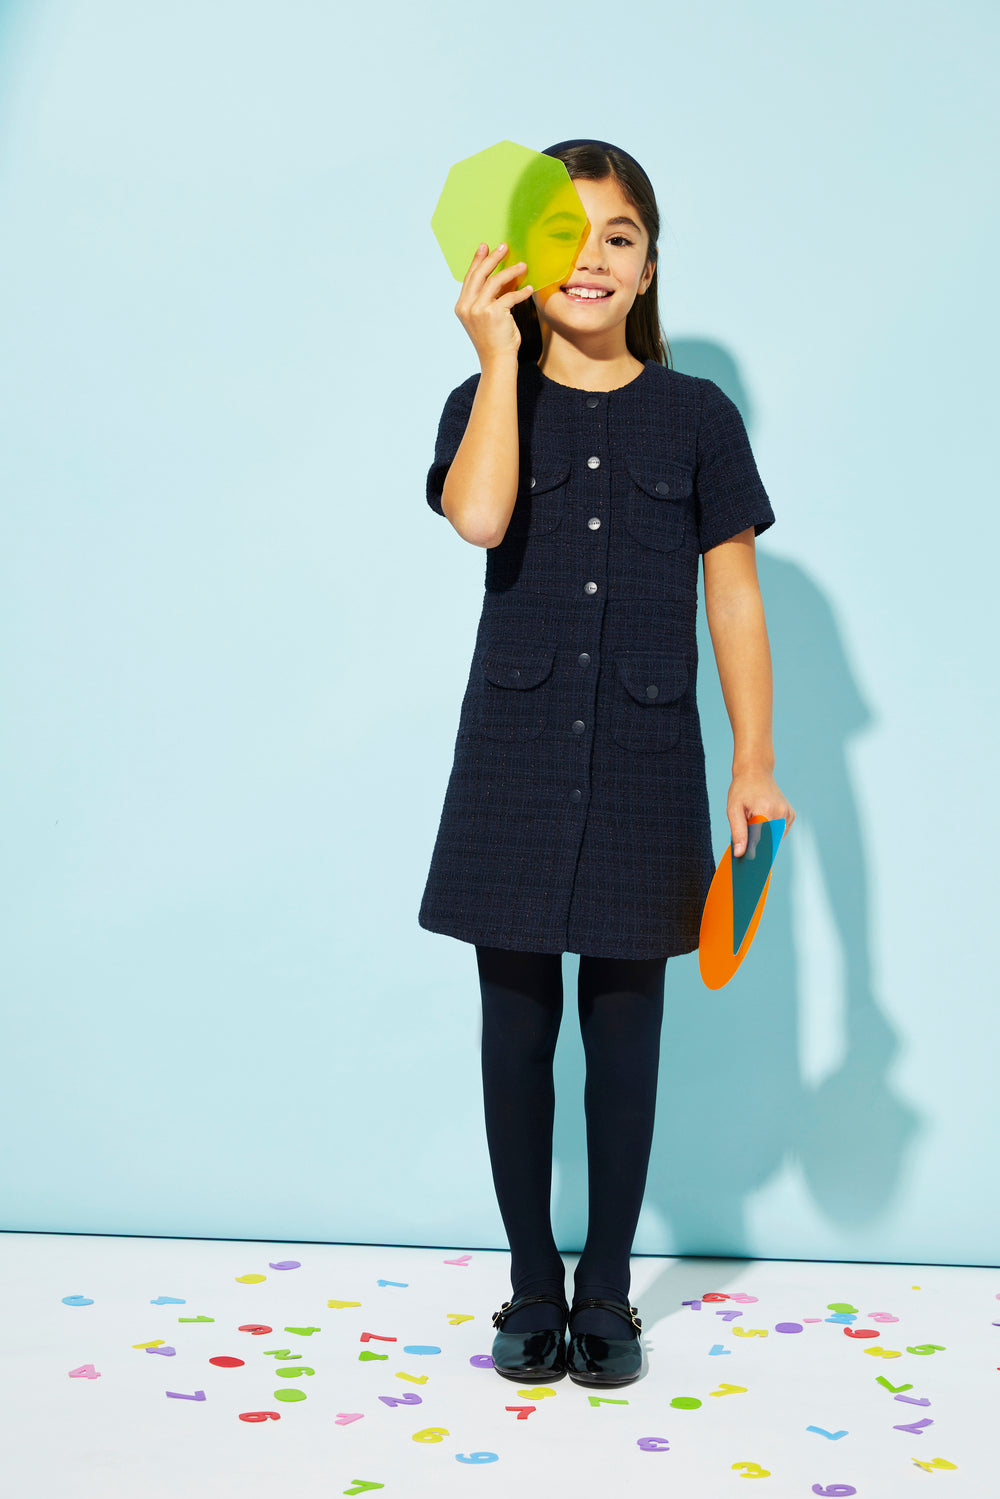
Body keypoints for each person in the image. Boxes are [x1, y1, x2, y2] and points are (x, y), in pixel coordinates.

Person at [418, 139, 795, 1388]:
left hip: (646, 754)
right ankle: (532, 1281)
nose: (590, 258)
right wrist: (497, 358)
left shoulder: (698, 418)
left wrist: (753, 761)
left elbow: (732, 597)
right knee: (516, 1027)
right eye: (563, 236)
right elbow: (479, 516)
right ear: (522, 259)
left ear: (648, 265)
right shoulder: (482, 399)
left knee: (626, 1035)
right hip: (514, 755)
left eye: (617, 236)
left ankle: (606, 1287)